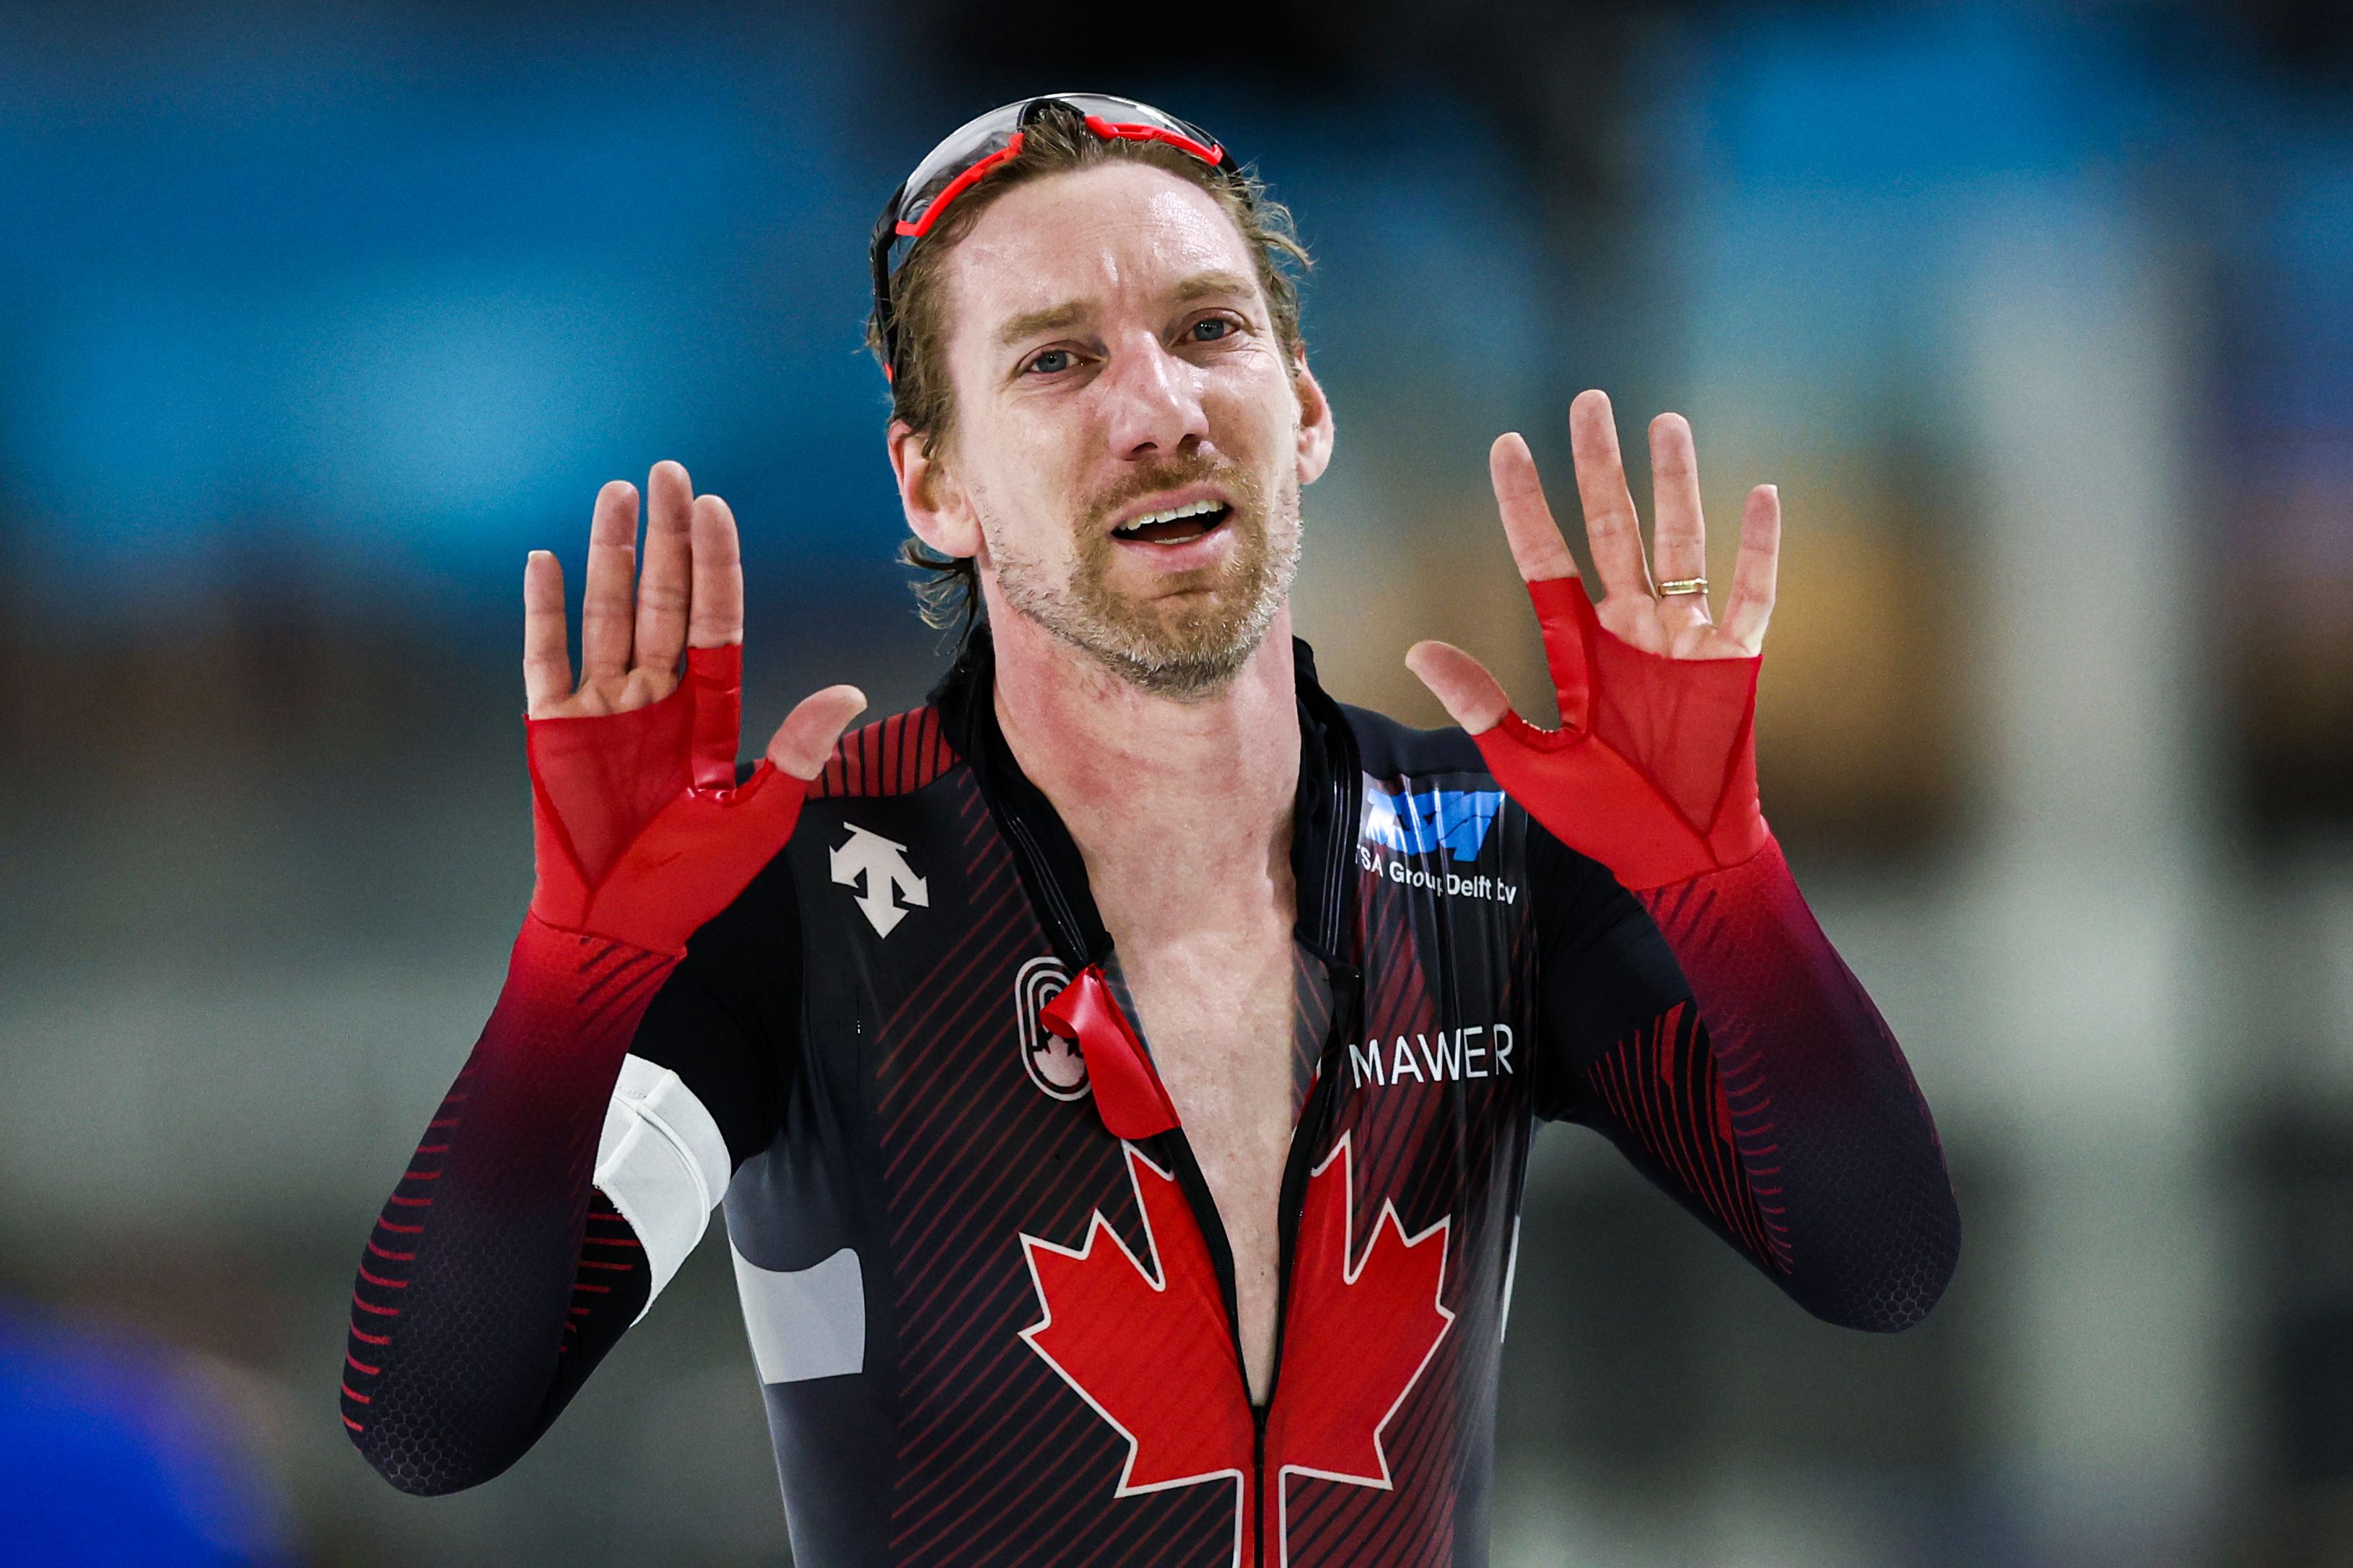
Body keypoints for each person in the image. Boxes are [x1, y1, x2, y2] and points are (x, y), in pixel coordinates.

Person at [339, 95, 1959, 1566]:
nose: (1160, 406)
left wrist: (1722, 877)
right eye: (1055, 359)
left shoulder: (1490, 854)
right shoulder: (811, 896)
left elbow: (1875, 1261)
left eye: (1208, 330)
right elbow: (430, 1422)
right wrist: (574, 977)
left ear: (1304, 410)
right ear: (934, 485)